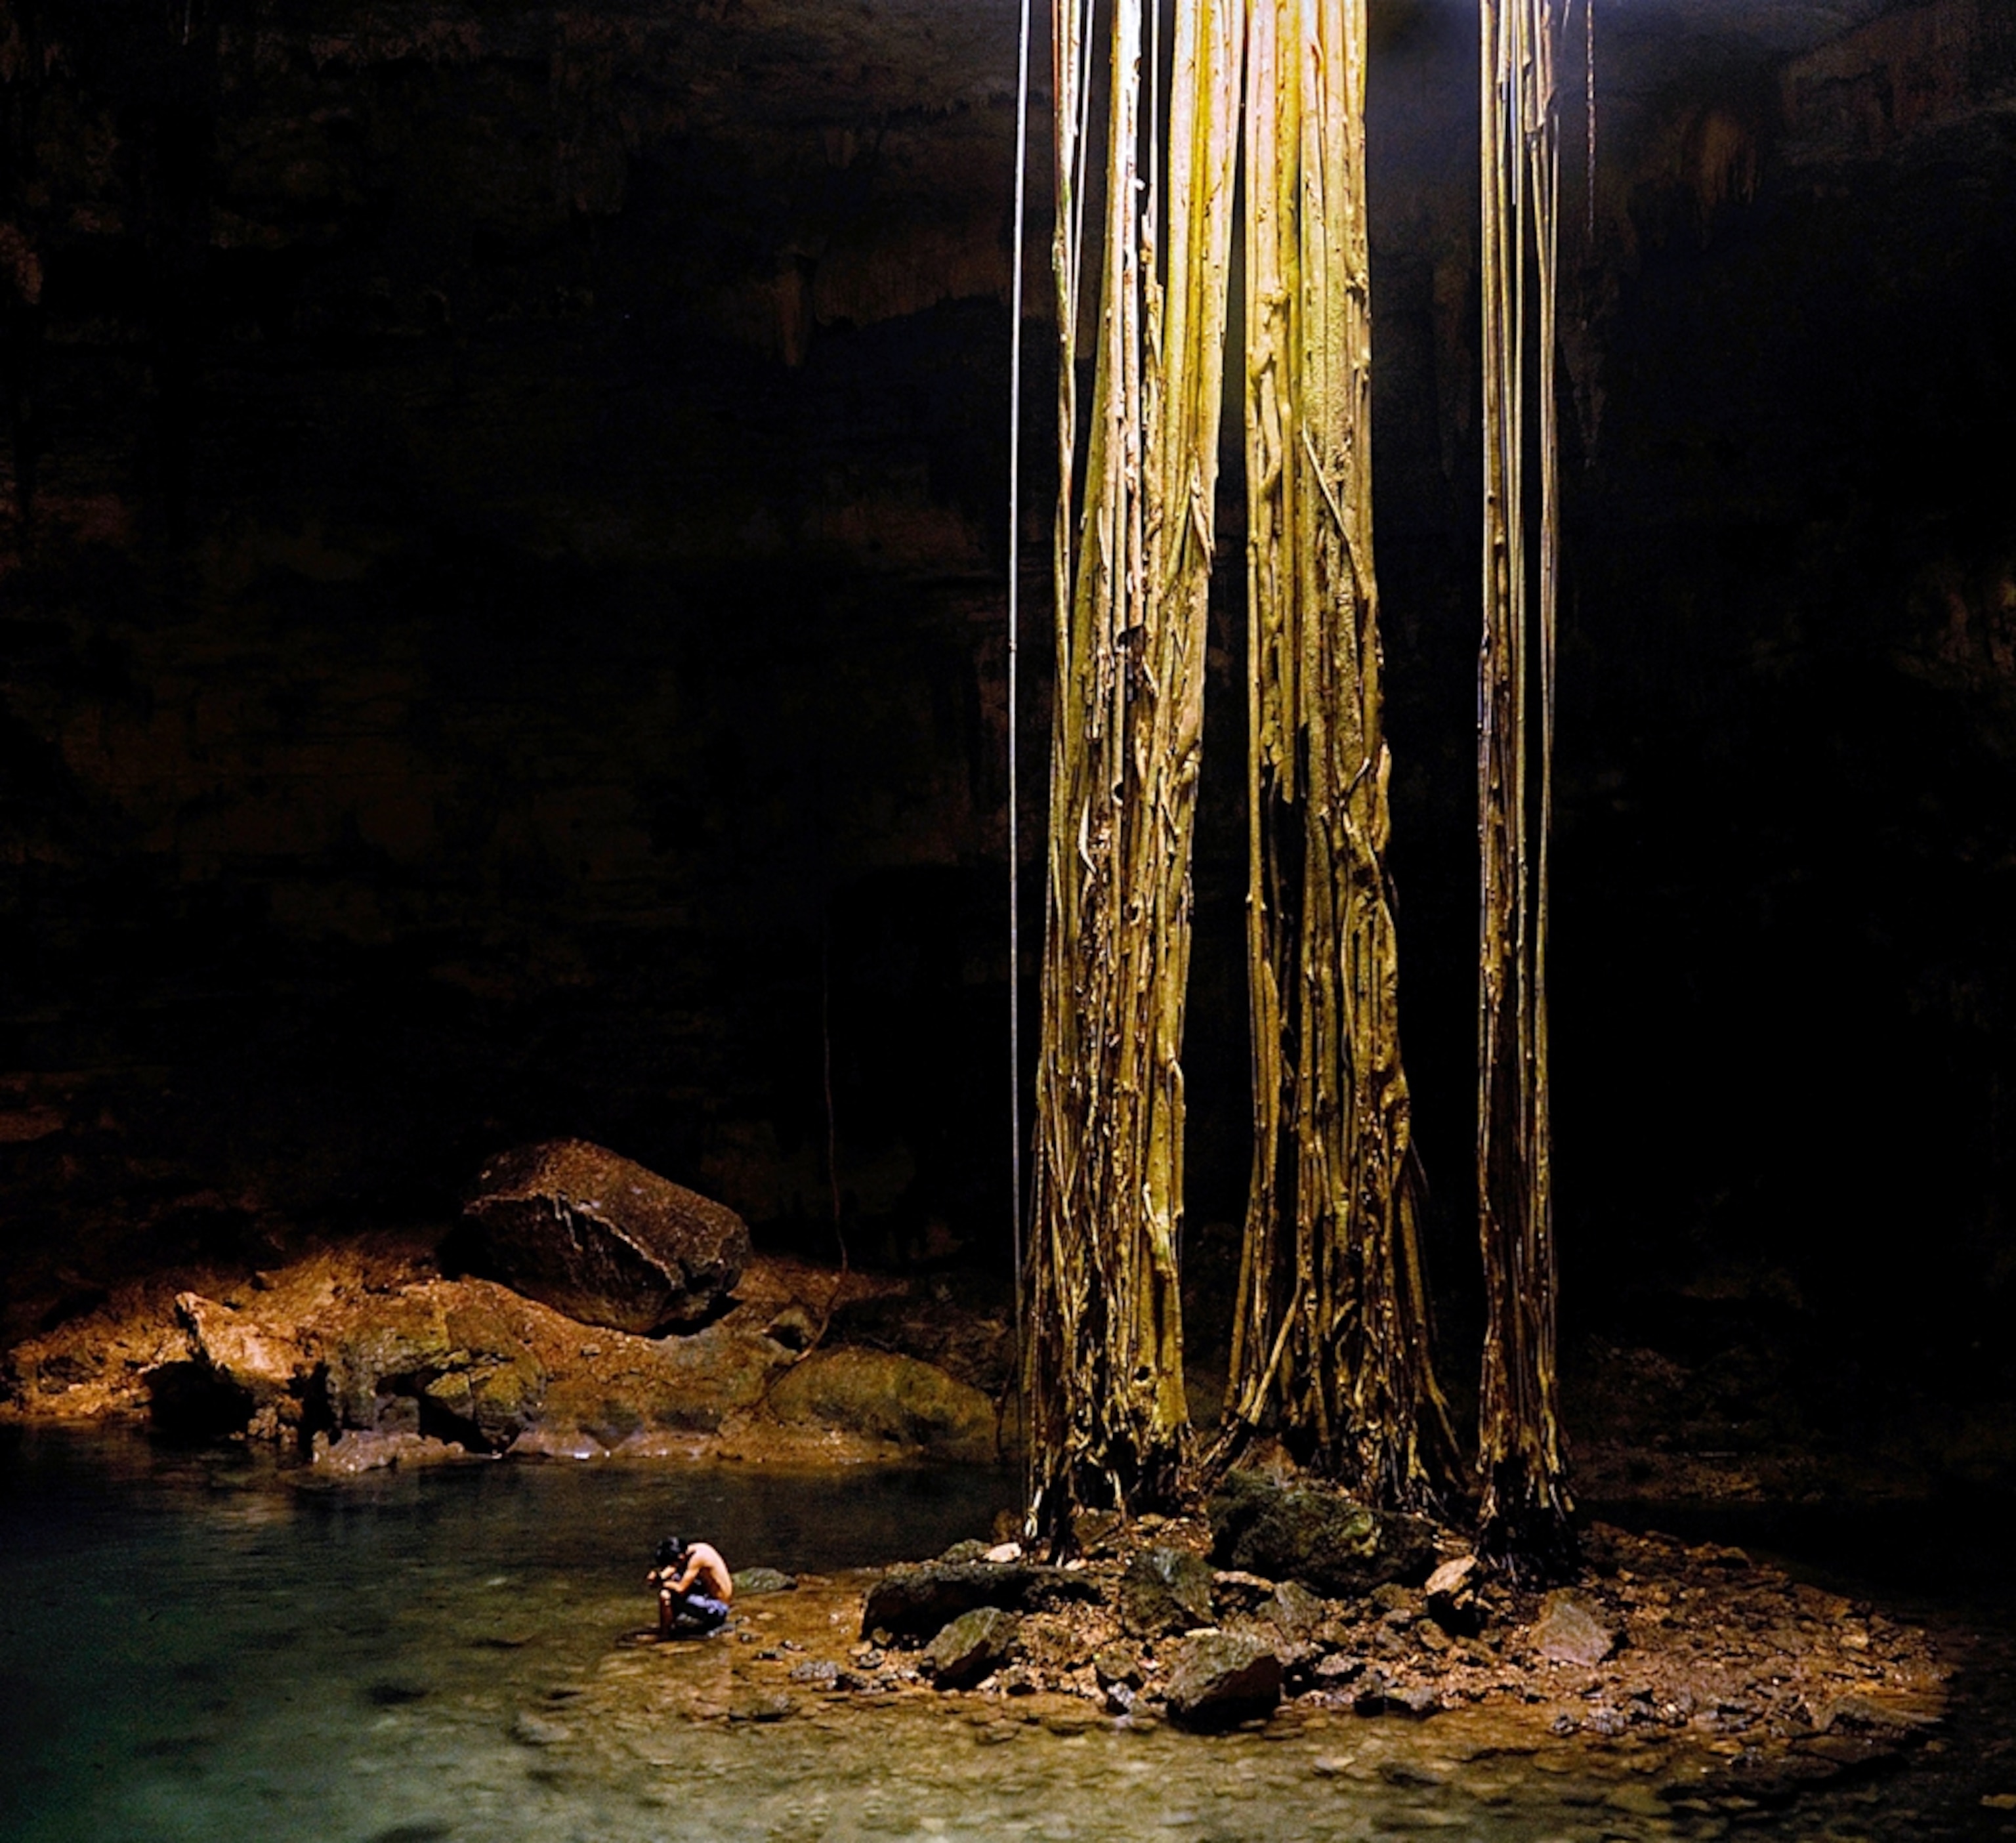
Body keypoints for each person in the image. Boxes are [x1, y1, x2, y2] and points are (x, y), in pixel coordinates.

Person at [648, 1534, 734, 1638]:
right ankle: (667, 1629)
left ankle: (665, 1634)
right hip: (710, 1597)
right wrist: (660, 1576)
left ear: (681, 1558)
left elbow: (681, 1589)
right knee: (671, 1583)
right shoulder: (694, 1549)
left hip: (718, 1608)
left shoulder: (698, 1559)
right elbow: (673, 1568)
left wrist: (660, 1583)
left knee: (666, 1595)